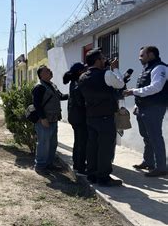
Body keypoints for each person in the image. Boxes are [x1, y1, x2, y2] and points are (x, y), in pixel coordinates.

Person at [78, 48, 125, 186]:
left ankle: (92, 174)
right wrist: (115, 69)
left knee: (92, 146)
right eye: (103, 58)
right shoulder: (106, 74)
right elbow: (120, 84)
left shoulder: (82, 77)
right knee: (106, 148)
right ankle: (103, 177)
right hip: (105, 117)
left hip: (91, 117)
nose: (105, 60)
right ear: (97, 61)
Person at [124, 46, 168, 177]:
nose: (139, 58)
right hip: (144, 107)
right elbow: (144, 86)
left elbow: (156, 87)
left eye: (142, 55)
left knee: (155, 137)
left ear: (151, 54)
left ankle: (161, 167)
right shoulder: (148, 68)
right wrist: (138, 105)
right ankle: (148, 161)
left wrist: (133, 92)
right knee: (147, 136)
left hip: (155, 107)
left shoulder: (159, 68)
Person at [32, 65, 68, 174]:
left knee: (52, 144)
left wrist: (72, 95)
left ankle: (49, 164)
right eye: (47, 71)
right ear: (41, 75)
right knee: (43, 144)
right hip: (44, 121)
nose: (50, 71)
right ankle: (40, 166)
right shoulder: (39, 87)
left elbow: (60, 96)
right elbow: (37, 105)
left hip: (53, 120)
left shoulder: (52, 85)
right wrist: (43, 118)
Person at [63, 62, 87, 175]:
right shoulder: (78, 83)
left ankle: (77, 164)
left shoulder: (74, 82)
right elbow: (81, 102)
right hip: (79, 117)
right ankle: (80, 166)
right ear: (79, 72)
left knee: (78, 141)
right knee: (82, 142)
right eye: (84, 70)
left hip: (75, 116)